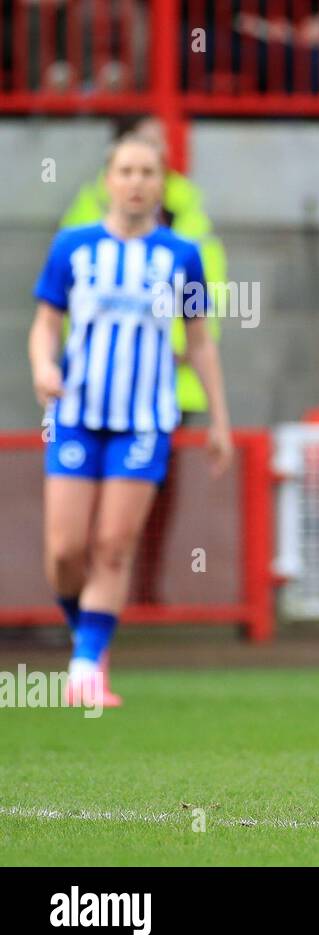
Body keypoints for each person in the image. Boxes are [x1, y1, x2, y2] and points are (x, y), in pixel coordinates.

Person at [29, 135, 234, 708]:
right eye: (127, 170)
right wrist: (45, 366)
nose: (138, 181)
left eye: (149, 171)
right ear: (108, 180)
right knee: (65, 549)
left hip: (144, 420)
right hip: (75, 415)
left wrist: (219, 420)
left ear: (162, 183)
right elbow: (46, 323)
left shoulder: (180, 255)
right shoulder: (72, 247)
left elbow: (200, 343)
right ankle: (87, 630)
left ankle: (88, 662)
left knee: (113, 544)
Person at [62, 114, 230, 604]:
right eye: (137, 153)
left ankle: (139, 591)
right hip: (95, 390)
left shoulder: (189, 217)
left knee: (152, 495)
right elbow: (64, 299)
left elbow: (206, 296)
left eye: (156, 152)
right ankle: (88, 598)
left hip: (167, 388)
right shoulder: (84, 219)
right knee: (79, 519)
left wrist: (182, 350)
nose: (144, 169)